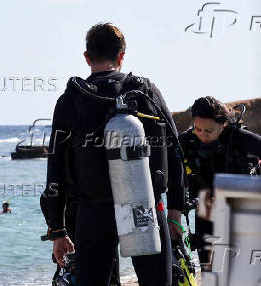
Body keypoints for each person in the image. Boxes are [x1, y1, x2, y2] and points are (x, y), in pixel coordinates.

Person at [40, 23, 186, 286]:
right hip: (146, 205)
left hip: (94, 211)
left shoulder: (72, 99)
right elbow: (175, 150)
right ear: (122, 56)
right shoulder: (146, 92)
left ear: (87, 57)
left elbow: (56, 167)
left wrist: (57, 229)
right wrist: (176, 210)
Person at [178, 96, 261, 271]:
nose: (202, 135)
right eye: (198, 129)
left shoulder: (240, 138)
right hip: (206, 212)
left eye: (209, 130)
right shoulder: (188, 140)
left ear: (222, 124)